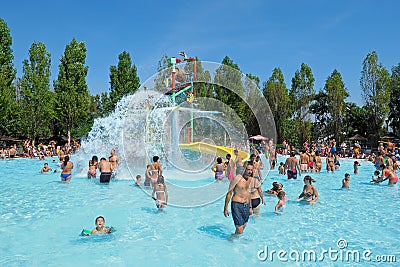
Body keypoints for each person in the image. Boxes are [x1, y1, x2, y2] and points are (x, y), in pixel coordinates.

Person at [223, 163, 254, 235]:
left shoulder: (250, 179)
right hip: (237, 204)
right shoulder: (237, 178)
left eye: (251, 170)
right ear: (244, 169)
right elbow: (229, 193)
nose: (250, 172)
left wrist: (250, 207)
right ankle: (233, 242)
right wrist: (225, 208)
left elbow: (249, 193)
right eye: (248, 169)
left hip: (246, 205)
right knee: (240, 230)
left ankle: (232, 239)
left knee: (243, 227)